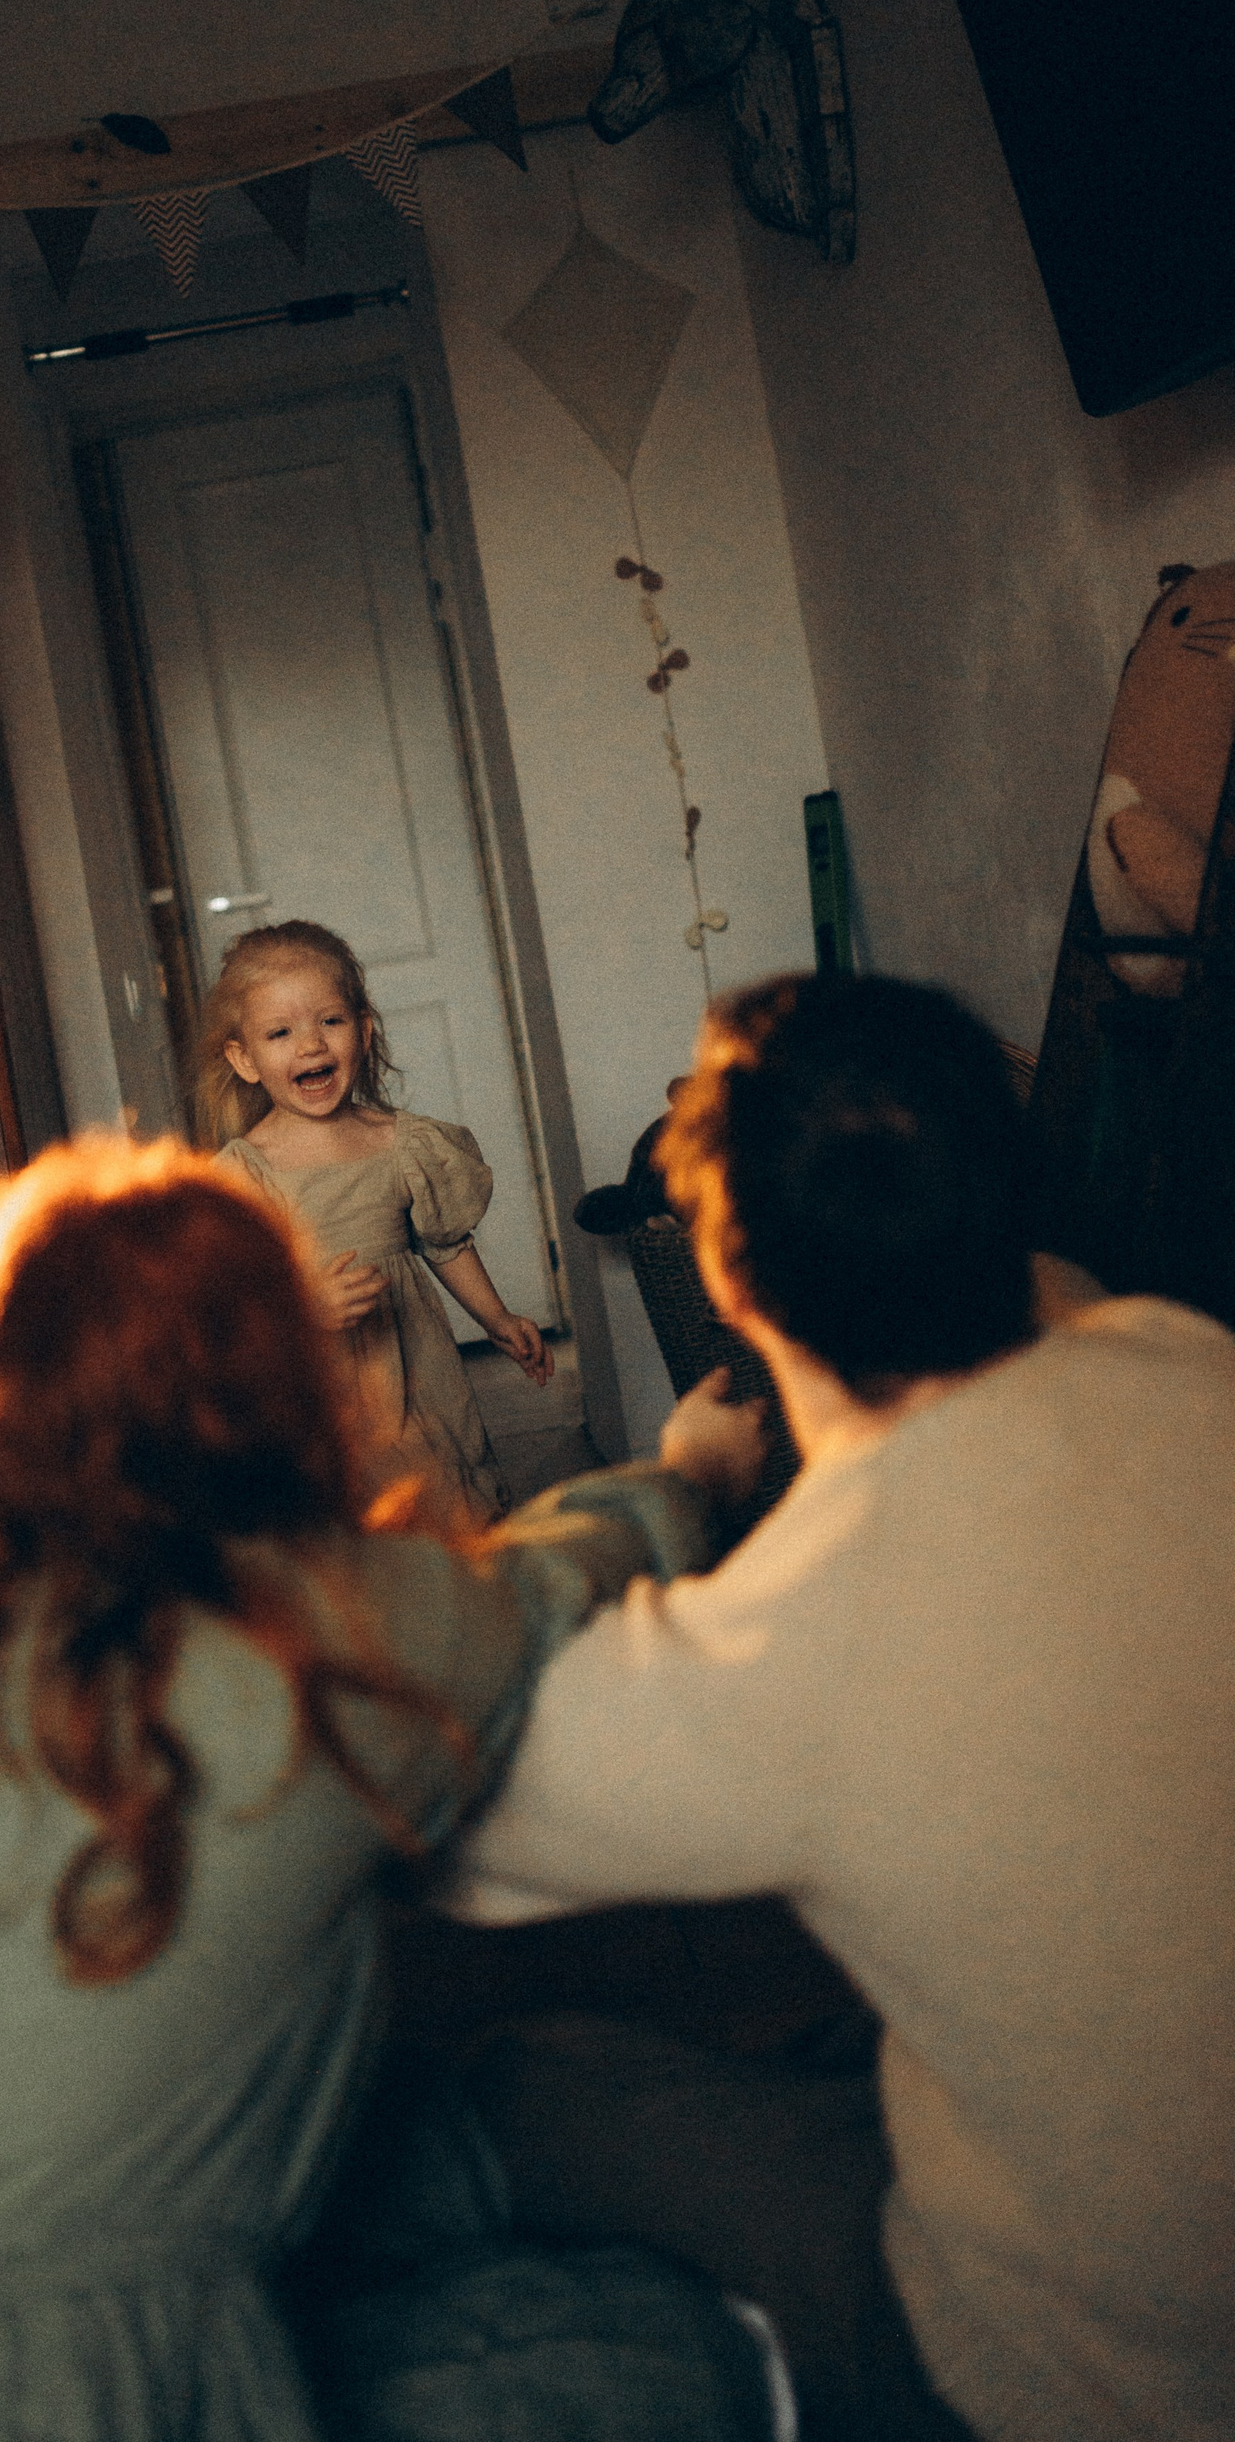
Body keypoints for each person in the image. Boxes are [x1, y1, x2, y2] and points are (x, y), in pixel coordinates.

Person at [0, 1134, 748, 2442]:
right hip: (10, 2384)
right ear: (274, 1375)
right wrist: (689, 1474)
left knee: (425, 2160)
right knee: (665, 2353)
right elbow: (551, 1581)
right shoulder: (325, 1630)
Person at [446, 972, 1235, 2442]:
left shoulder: (786, 1631)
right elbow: (1057, 1292)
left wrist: (676, 1483)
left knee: (522, 2085)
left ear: (730, 1289)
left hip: (1095, 2383)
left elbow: (441, 1788)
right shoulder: (1179, 1355)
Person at [201, 919, 553, 1526]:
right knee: (351, 1512)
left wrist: (496, 1317)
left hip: (415, 1365)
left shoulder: (400, 1143)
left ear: (363, 1032)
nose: (311, 1046)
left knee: (443, 1494)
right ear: (245, 1059)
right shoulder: (244, 1172)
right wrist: (302, 1306)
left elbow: (445, 1243)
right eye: (281, 1033)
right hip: (316, 1381)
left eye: (330, 1022)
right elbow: (231, 1299)